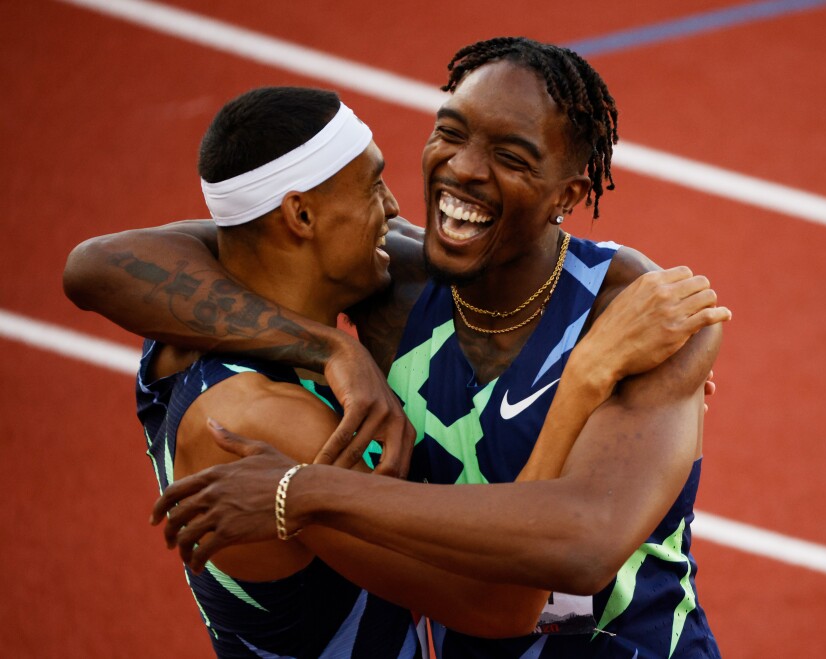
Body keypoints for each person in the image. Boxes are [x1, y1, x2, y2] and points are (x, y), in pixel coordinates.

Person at [64, 38, 730, 658]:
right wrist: (332, 347)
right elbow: (99, 266)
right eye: (450, 131)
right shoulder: (392, 284)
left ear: (571, 193)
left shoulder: (640, 318)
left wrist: (305, 491)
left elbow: (584, 543)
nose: (462, 168)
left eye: (510, 155)